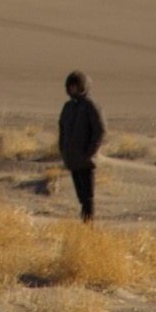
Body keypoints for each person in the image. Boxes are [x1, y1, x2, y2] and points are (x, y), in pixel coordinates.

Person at [57, 70, 106, 222]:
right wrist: (63, 150)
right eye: (69, 87)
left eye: (73, 86)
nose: (70, 90)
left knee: (88, 198)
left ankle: (88, 227)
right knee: (81, 197)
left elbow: (100, 130)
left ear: (81, 87)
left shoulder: (90, 105)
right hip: (73, 160)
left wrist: (90, 152)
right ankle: (85, 224)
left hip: (86, 161)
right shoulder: (68, 107)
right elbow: (62, 129)